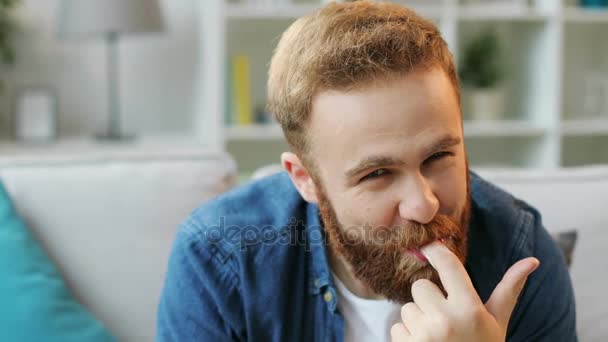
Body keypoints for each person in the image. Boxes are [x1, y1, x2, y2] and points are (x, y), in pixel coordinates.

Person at [157, 1, 576, 341]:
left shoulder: (519, 251)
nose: (424, 205)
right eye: (377, 174)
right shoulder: (218, 256)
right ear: (305, 179)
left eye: (438, 157)